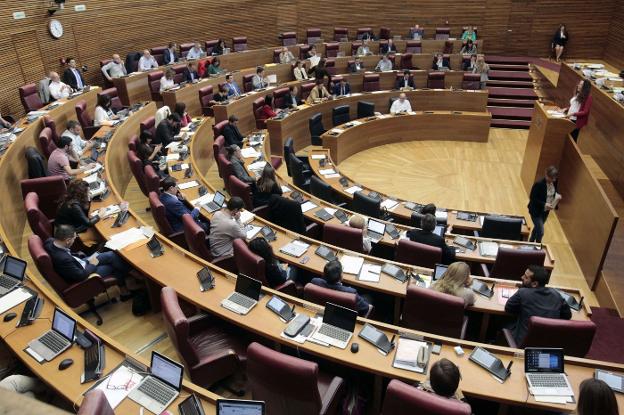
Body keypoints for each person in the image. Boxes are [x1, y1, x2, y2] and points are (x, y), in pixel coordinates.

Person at [45, 224, 132, 296]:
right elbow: (81, 275)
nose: (74, 241)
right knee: (113, 265)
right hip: (86, 273)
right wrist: (93, 263)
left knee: (110, 254)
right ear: (67, 240)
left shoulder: (50, 241)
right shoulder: (63, 259)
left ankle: (130, 274)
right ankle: (130, 282)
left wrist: (78, 255)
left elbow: (68, 254)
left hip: (81, 262)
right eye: (74, 239)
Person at [505, 265, 571, 345]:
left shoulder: (523, 292)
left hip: (523, 345)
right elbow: (567, 315)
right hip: (549, 345)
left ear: (534, 284)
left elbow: (508, 308)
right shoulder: (556, 295)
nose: (522, 277)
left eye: (526, 277)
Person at [528, 165, 561, 243]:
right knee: (541, 231)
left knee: (537, 228)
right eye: (551, 178)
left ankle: (531, 241)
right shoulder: (538, 184)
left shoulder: (554, 182)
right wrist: (544, 204)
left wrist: (557, 196)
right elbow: (532, 198)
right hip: (536, 211)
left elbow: (554, 191)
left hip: (546, 211)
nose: (553, 180)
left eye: (554, 178)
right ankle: (538, 246)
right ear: (546, 174)